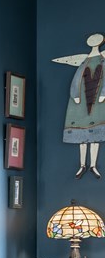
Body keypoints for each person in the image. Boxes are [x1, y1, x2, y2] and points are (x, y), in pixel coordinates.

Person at [53, 33, 105, 179]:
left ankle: (93, 165)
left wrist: (103, 94)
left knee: (95, 135)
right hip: (82, 101)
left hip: (97, 100)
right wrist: (75, 94)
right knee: (82, 136)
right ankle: (82, 165)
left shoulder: (102, 61)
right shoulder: (84, 61)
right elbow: (76, 80)